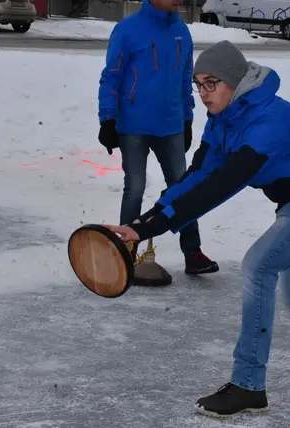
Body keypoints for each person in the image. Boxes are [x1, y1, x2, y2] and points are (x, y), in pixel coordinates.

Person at [106, 40, 290, 418]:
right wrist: (146, 221)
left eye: (211, 83)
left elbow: (222, 184)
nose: (203, 93)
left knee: (260, 266)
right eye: (197, 84)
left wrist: (158, 225)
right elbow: (199, 175)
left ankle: (248, 385)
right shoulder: (223, 119)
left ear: (234, 81)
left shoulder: (265, 123)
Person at [97, 0, 218, 275]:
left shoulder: (181, 32)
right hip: (134, 126)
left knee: (183, 188)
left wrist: (187, 119)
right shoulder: (127, 30)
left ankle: (193, 252)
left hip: (171, 125)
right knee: (135, 187)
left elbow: (186, 79)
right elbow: (111, 77)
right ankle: (126, 254)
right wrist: (107, 119)